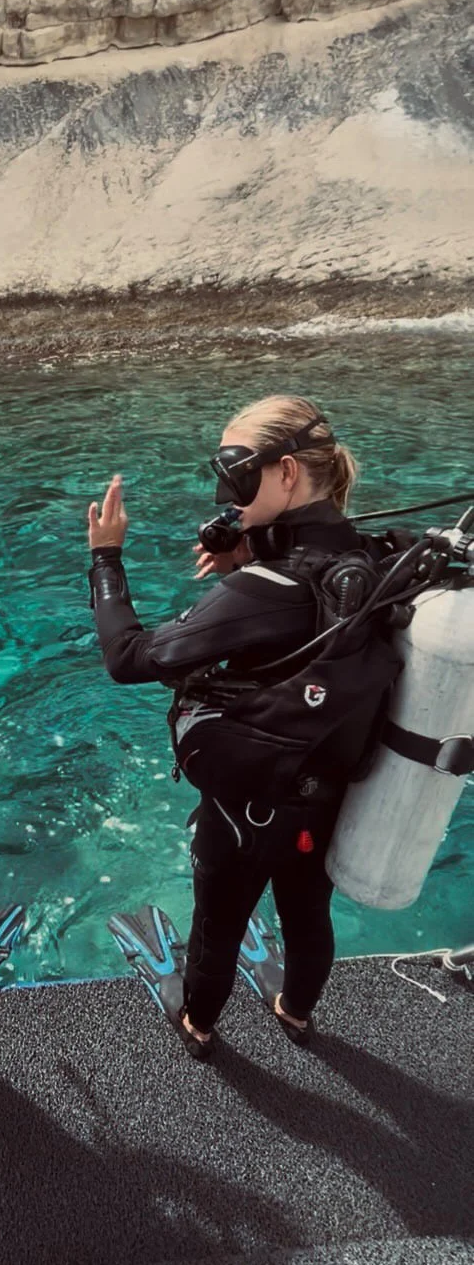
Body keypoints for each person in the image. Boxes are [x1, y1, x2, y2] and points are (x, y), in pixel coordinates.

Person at [88, 395, 406, 1059]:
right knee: (307, 911)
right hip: (328, 791)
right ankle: (295, 1010)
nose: (223, 491)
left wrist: (107, 560)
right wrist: (245, 556)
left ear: (286, 472)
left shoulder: (267, 586)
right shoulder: (372, 563)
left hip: (251, 805)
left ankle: (199, 1023)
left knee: (217, 924)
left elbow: (129, 657)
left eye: (234, 471)